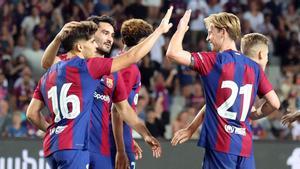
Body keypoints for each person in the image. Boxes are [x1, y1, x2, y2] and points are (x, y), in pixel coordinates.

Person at [26, 7, 173, 169]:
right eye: (104, 33)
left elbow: (122, 109)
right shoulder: (81, 64)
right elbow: (132, 56)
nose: (110, 38)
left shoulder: (109, 72)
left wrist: (142, 135)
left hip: (91, 148)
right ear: (91, 37)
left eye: (112, 34)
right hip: (76, 146)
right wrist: (159, 31)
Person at [166, 11, 280, 169]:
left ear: (223, 31)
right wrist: (254, 114)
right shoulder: (254, 67)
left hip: (220, 144)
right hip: (245, 147)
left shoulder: (213, 61)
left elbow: (172, 53)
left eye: (210, 32)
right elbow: (274, 103)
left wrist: (181, 29)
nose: (208, 38)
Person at [171, 33, 278, 145]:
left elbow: (213, 104)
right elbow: (274, 103)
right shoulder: (255, 72)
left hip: (222, 140)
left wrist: (191, 129)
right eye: (267, 55)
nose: (267, 60)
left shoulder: (232, 67)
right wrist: (254, 115)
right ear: (261, 54)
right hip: (238, 142)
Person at [110, 18, 154, 169]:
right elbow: (117, 111)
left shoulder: (117, 62)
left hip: (118, 137)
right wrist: (121, 150)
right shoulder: (129, 68)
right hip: (116, 143)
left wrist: (129, 140)